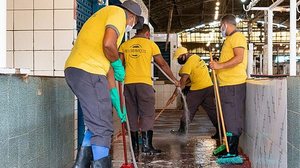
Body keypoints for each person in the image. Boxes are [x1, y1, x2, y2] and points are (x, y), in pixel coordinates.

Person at [64, 0, 144, 167]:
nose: (131, 27)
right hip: (88, 71)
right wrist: (117, 63)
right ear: (132, 16)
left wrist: (115, 99)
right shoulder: (117, 13)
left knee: (95, 125)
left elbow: (108, 71)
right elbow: (108, 44)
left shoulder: (102, 18)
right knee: (103, 128)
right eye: (133, 23)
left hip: (79, 70)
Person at [119, 24, 179, 156]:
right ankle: (146, 146)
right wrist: (174, 80)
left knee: (132, 114)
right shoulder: (150, 44)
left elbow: (119, 64)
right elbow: (162, 64)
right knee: (147, 114)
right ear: (147, 33)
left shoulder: (125, 45)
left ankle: (135, 147)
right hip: (144, 84)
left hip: (128, 84)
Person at [209, 14, 247, 158]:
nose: (220, 28)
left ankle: (232, 151)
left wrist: (219, 65)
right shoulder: (229, 39)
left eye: (220, 25)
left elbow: (239, 58)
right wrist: (217, 66)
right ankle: (227, 145)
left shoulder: (237, 37)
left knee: (233, 118)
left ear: (225, 24)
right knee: (228, 117)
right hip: (226, 84)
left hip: (234, 84)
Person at [167, 47, 219, 138]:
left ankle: (182, 132)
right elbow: (191, 78)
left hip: (197, 90)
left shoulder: (188, 64)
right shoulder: (196, 57)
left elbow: (182, 82)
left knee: (188, 110)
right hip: (209, 88)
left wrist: (174, 96)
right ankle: (220, 131)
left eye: (179, 58)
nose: (178, 60)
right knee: (212, 111)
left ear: (183, 55)